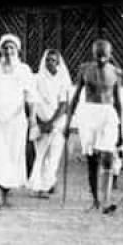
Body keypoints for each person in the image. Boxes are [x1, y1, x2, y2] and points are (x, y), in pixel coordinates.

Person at [64, 39, 123, 214]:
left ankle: (106, 201)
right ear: (93, 53)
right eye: (98, 55)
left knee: (107, 155)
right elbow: (75, 97)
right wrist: (68, 123)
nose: (100, 59)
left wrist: (121, 128)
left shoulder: (115, 73)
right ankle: (95, 200)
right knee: (92, 159)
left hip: (108, 113)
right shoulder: (84, 70)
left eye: (104, 55)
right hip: (89, 113)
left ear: (110, 54)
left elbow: (119, 102)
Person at [0, 34, 37, 209]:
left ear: (17, 50)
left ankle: (5, 192)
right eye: (5, 48)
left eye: (12, 48)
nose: (9, 51)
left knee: (11, 156)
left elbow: (31, 97)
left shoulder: (24, 70)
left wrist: (32, 118)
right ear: (1, 50)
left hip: (16, 120)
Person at [27, 49, 71, 198]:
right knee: (41, 155)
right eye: (48, 60)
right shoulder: (37, 79)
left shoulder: (63, 79)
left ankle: (48, 183)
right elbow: (33, 101)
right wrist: (40, 122)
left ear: (58, 62)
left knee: (54, 155)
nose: (50, 63)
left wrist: (52, 122)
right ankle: (40, 187)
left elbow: (64, 104)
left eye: (53, 60)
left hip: (57, 122)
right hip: (40, 121)